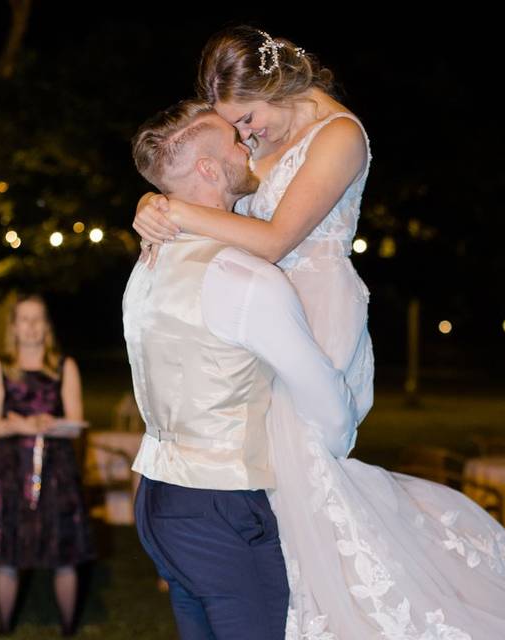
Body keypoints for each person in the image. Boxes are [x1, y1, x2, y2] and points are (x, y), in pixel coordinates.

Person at [133, 27, 505, 639]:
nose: (244, 137)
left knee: (306, 476)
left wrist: (176, 211)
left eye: (246, 119)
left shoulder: (341, 135)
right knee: (272, 481)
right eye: (234, 127)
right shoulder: (261, 138)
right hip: (259, 311)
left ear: (276, 86)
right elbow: (202, 173)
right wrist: (153, 199)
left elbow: (275, 240)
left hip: (315, 306)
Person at [127, 99, 359, 640]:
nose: (247, 144)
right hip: (222, 508)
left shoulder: (149, 261)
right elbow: (327, 407)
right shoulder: (243, 275)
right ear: (208, 169)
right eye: (233, 141)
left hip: (159, 499)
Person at [0, 295, 95, 636]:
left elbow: (76, 422)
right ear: (13, 326)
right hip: (10, 470)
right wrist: (20, 426)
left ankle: (69, 627)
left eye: (37, 319)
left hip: (56, 471)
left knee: (63, 554)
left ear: (47, 325)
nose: (31, 326)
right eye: (24, 319)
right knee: (8, 555)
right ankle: (4, 626)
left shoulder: (64, 366)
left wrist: (42, 423)